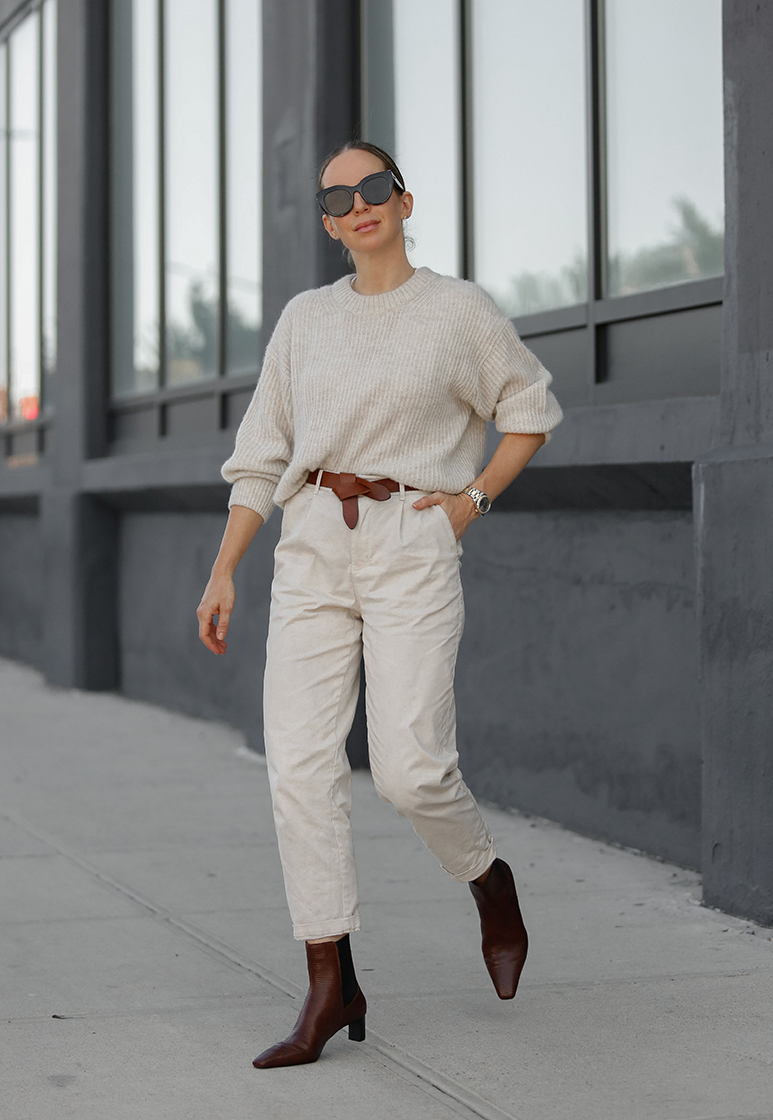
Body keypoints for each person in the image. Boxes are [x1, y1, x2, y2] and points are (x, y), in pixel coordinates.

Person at [197, 141, 562, 1069]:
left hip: (411, 542)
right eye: (338, 197)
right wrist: (227, 566)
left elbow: (529, 407)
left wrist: (469, 504)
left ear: (403, 199)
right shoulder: (305, 320)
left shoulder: (457, 310)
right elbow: (261, 452)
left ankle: (489, 881)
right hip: (313, 542)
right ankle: (330, 978)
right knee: (300, 768)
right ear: (327, 223)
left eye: (372, 188)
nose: (358, 205)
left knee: (410, 770)